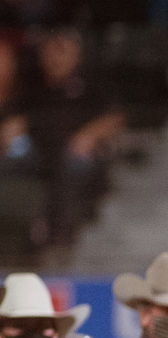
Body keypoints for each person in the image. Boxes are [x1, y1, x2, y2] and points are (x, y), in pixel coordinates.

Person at [27, 29, 125, 244]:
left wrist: (89, 135)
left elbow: (115, 117)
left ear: (76, 54)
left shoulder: (91, 83)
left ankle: (61, 235)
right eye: (49, 52)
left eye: (61, 51)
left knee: (71, 164)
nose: (54, 58)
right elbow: (22, 117)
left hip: (78, 153)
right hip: (39, 151)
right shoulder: (34, 85)